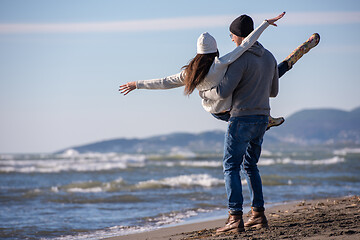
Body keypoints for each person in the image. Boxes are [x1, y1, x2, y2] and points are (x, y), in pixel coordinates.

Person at [198, 14, 319, 234]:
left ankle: (235, 217)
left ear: (238, 36)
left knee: (231, 167)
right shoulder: (270, 57)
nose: (231, 39)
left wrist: (203, 91)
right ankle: (258, 215)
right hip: (262, 118)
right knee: (250, 166)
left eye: (232, 35)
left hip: (241, 119)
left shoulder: (239, 59)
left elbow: (223, 91)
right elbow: (273, 91)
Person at [119, 12, 288, 130]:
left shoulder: (189, 73)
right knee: (254, 79)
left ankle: (266, 118)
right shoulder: (221, 63)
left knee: (242, 80)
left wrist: (137, 84)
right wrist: (265, 23)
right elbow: (246, 44)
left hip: (216, 112)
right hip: (231, 110)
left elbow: (165, 82)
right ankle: (283, 70)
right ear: (215, 50)